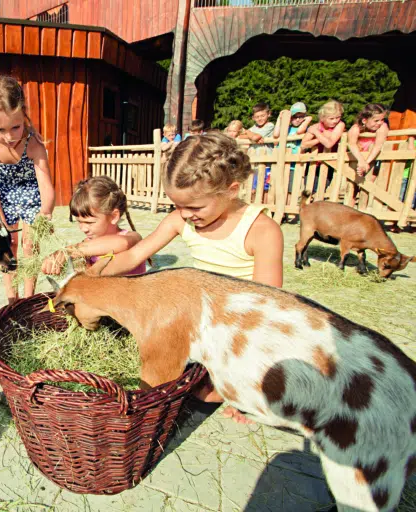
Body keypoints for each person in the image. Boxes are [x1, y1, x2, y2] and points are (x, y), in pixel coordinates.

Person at [93, 133, 284, 423]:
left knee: (206, 393)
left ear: (231, 190)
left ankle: (235, 388)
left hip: (240, 324)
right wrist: (91, 275)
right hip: (200, 316)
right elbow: (133, 256)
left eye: (194, 207)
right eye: (177, 205)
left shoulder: (261, 230)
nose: (184, 214)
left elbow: (267, 304)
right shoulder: (180, 220)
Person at [0, 74, 56, 304]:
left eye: (16, 127)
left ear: (24, 116)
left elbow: (46, 186)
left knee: (30, 244)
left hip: (32, 193)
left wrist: (46, 212)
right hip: (4, 194)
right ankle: (12, 300)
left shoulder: (33, 142)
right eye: (1, 129)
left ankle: (28, 300)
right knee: (7, 245)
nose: (10, 136)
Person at [41, 176, 145, 276]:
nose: (83, 229)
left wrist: (68, 251)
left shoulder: (133, 238)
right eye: (79, 221)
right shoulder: (86, 244)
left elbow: (123, 243)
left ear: (113, 216)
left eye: (89, 223)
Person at [347, 103, 390, 208]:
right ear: (364, 120)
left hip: (374, 161)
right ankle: (350, 208)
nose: (380, 123)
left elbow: (378, 145)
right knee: (353, 187)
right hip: (357, 161)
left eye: (382, 119)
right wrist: (361, 161)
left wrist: (367, 162)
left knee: (368, 186)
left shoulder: (382, 127)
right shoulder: (355, 128)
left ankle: (363, 209)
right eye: (376, 120)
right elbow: (351, 144)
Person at [301, 100, 345, 195]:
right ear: (323, 118)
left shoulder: (340, 125)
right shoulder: (316, 126)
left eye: (338, 117)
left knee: (320, 190)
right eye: (331, 118)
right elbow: (304, 144)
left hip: (329, 162)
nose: (335, 121)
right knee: (308, 190)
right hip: (314, 162)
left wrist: (316, 133)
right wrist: (320, 138)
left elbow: (329, 144)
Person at [273, 102, 312, 194]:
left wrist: (307, 121)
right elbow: (275, 134)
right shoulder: (286, 128)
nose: (298, 119)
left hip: (295, 165)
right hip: (281, 162)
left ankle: (290, 206)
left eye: (301, 116)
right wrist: (280, 118)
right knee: (277, 189)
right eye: (295, 117)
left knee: (291, 190)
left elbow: (299, 131)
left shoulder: (306, 129)